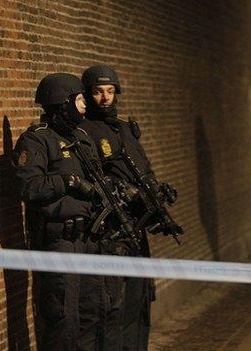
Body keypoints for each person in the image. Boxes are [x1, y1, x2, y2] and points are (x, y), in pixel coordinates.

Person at [13, 72, 109, 350]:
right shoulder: (36, 140)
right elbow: (29, 188)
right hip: (61, 241)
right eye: (79, 100)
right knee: (63, 317)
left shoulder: (81, 137)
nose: (84, 105)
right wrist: (67, 181)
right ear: (62, 102)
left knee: (92, 311)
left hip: (89, 238)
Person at [80, 64, 170, 351]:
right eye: (98, 92)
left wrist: (155, 192)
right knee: (113, 307)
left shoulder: (126, 130)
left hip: (136, 229)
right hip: (112, 233)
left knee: (139, 301)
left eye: (110, 91)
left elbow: (144, 169)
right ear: (88, 94)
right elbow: (92, 178)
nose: (105, 98)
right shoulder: (84, 131)